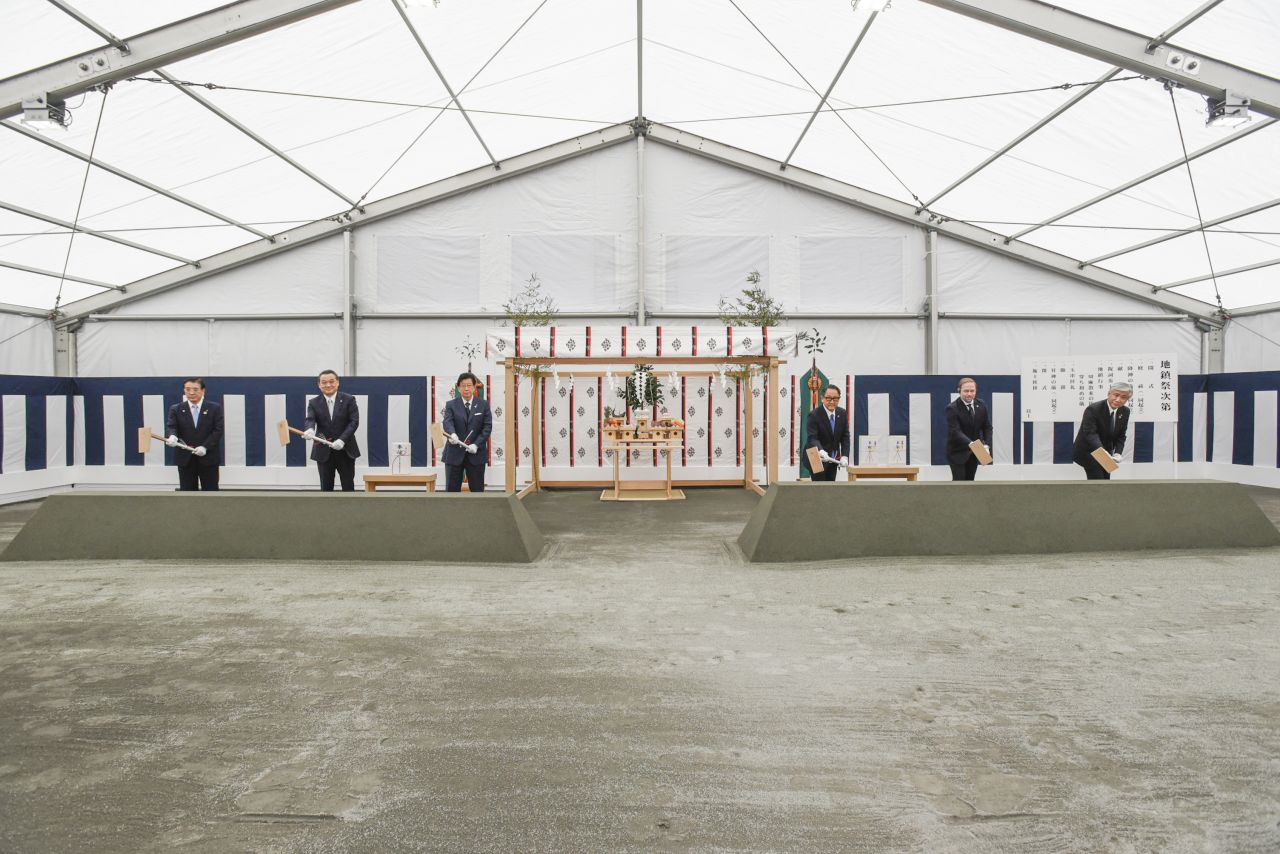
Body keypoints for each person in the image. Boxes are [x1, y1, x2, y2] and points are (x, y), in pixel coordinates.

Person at [303, 369, 361, 491]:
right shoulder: (313, 402)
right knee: (326, 488)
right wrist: (310, 430)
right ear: (319, 385)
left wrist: (342, 440)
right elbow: (310, 419)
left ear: (337, 382)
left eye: (331, 381)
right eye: (324, 382)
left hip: (345, 450)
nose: (328, 385)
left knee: (348, 486)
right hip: (323, 451)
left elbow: (354, 422)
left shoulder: (349, 399)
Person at [165, 377, 224, 491]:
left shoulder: (214, 408)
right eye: (188, 389)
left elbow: (218, 430)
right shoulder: (176, 409)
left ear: (203, 391)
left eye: (195, 389)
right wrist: (172, 436)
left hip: (208, 458)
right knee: (187, 494)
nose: (191, 393)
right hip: (185, 459)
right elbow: (171, 427)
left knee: (211, 492)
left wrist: (205, 447)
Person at [441, 372, 493, 493]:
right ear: (458, 388)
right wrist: (452, 434)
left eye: (469, 385)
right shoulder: (451, 405)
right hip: (454, 454)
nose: (466, 388)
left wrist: (476, 444)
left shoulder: (483, 405)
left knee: (477, 491)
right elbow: (447, 422)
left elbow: (487, 427)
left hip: (476, 454)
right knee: (451, 492)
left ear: (474, 387)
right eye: (463, 385)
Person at [1072, 381, 1132, 480]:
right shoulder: (1093, 409)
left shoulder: (1125, 411)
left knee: (1106, 480)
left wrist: (1118, 453)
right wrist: (1102, 452)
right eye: (1116, 395)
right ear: (1109, 393)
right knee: (1098, 482)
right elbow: (1090, 434)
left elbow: (1121, 434)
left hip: (1106, 453)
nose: (1118, 399)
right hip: (1089, 451)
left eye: (1123, 397)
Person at [944, 377, 993, 481]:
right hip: (957, 452)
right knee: (960, 483)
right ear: (959, 391)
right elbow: (955, 431)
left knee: (970, 482)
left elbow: (987, 427)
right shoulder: (952, 408)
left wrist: (986, 445)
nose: (969, 394)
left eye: (972, 391)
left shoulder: (981, 405)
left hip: (974, 452)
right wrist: (971, 443)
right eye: (966, 391)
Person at [805, 385, 850, 482]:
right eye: (828, 398)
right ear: (822, 398)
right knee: (820, 488)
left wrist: (845, 456)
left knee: (830, 486)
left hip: (833, 458)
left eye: (835, 398)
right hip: (817, 458)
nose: (832, 402)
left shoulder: (842, 413)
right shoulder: (814, 415)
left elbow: (845, 437)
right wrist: (821, 450)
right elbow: (812, 438)